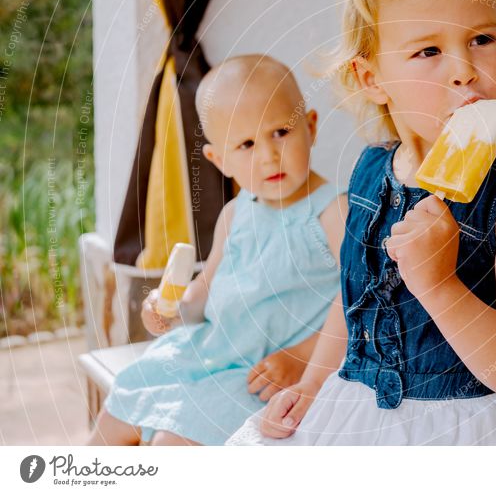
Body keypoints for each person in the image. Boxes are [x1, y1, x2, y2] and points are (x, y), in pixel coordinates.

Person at [227, 0, 496, 446]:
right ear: (371, 78)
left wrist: (439, 284)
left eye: (482, 39)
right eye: (429, 51)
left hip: (469, 424)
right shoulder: (368, 171)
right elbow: (353, 299)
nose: (464, 70)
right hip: (360, 408)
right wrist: (312, 383)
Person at [87, 55, 347, 445]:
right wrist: (167, 305)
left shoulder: (332, 211)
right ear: (219, 160)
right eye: (246, 144)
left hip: (263, 372)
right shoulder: (234, 216)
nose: (267, 155)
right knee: (118, 411)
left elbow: (359, 301)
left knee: (169, 444)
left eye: (281, 131)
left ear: (310, 127)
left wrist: (303, 357)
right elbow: (201, 296)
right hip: (210, 353)